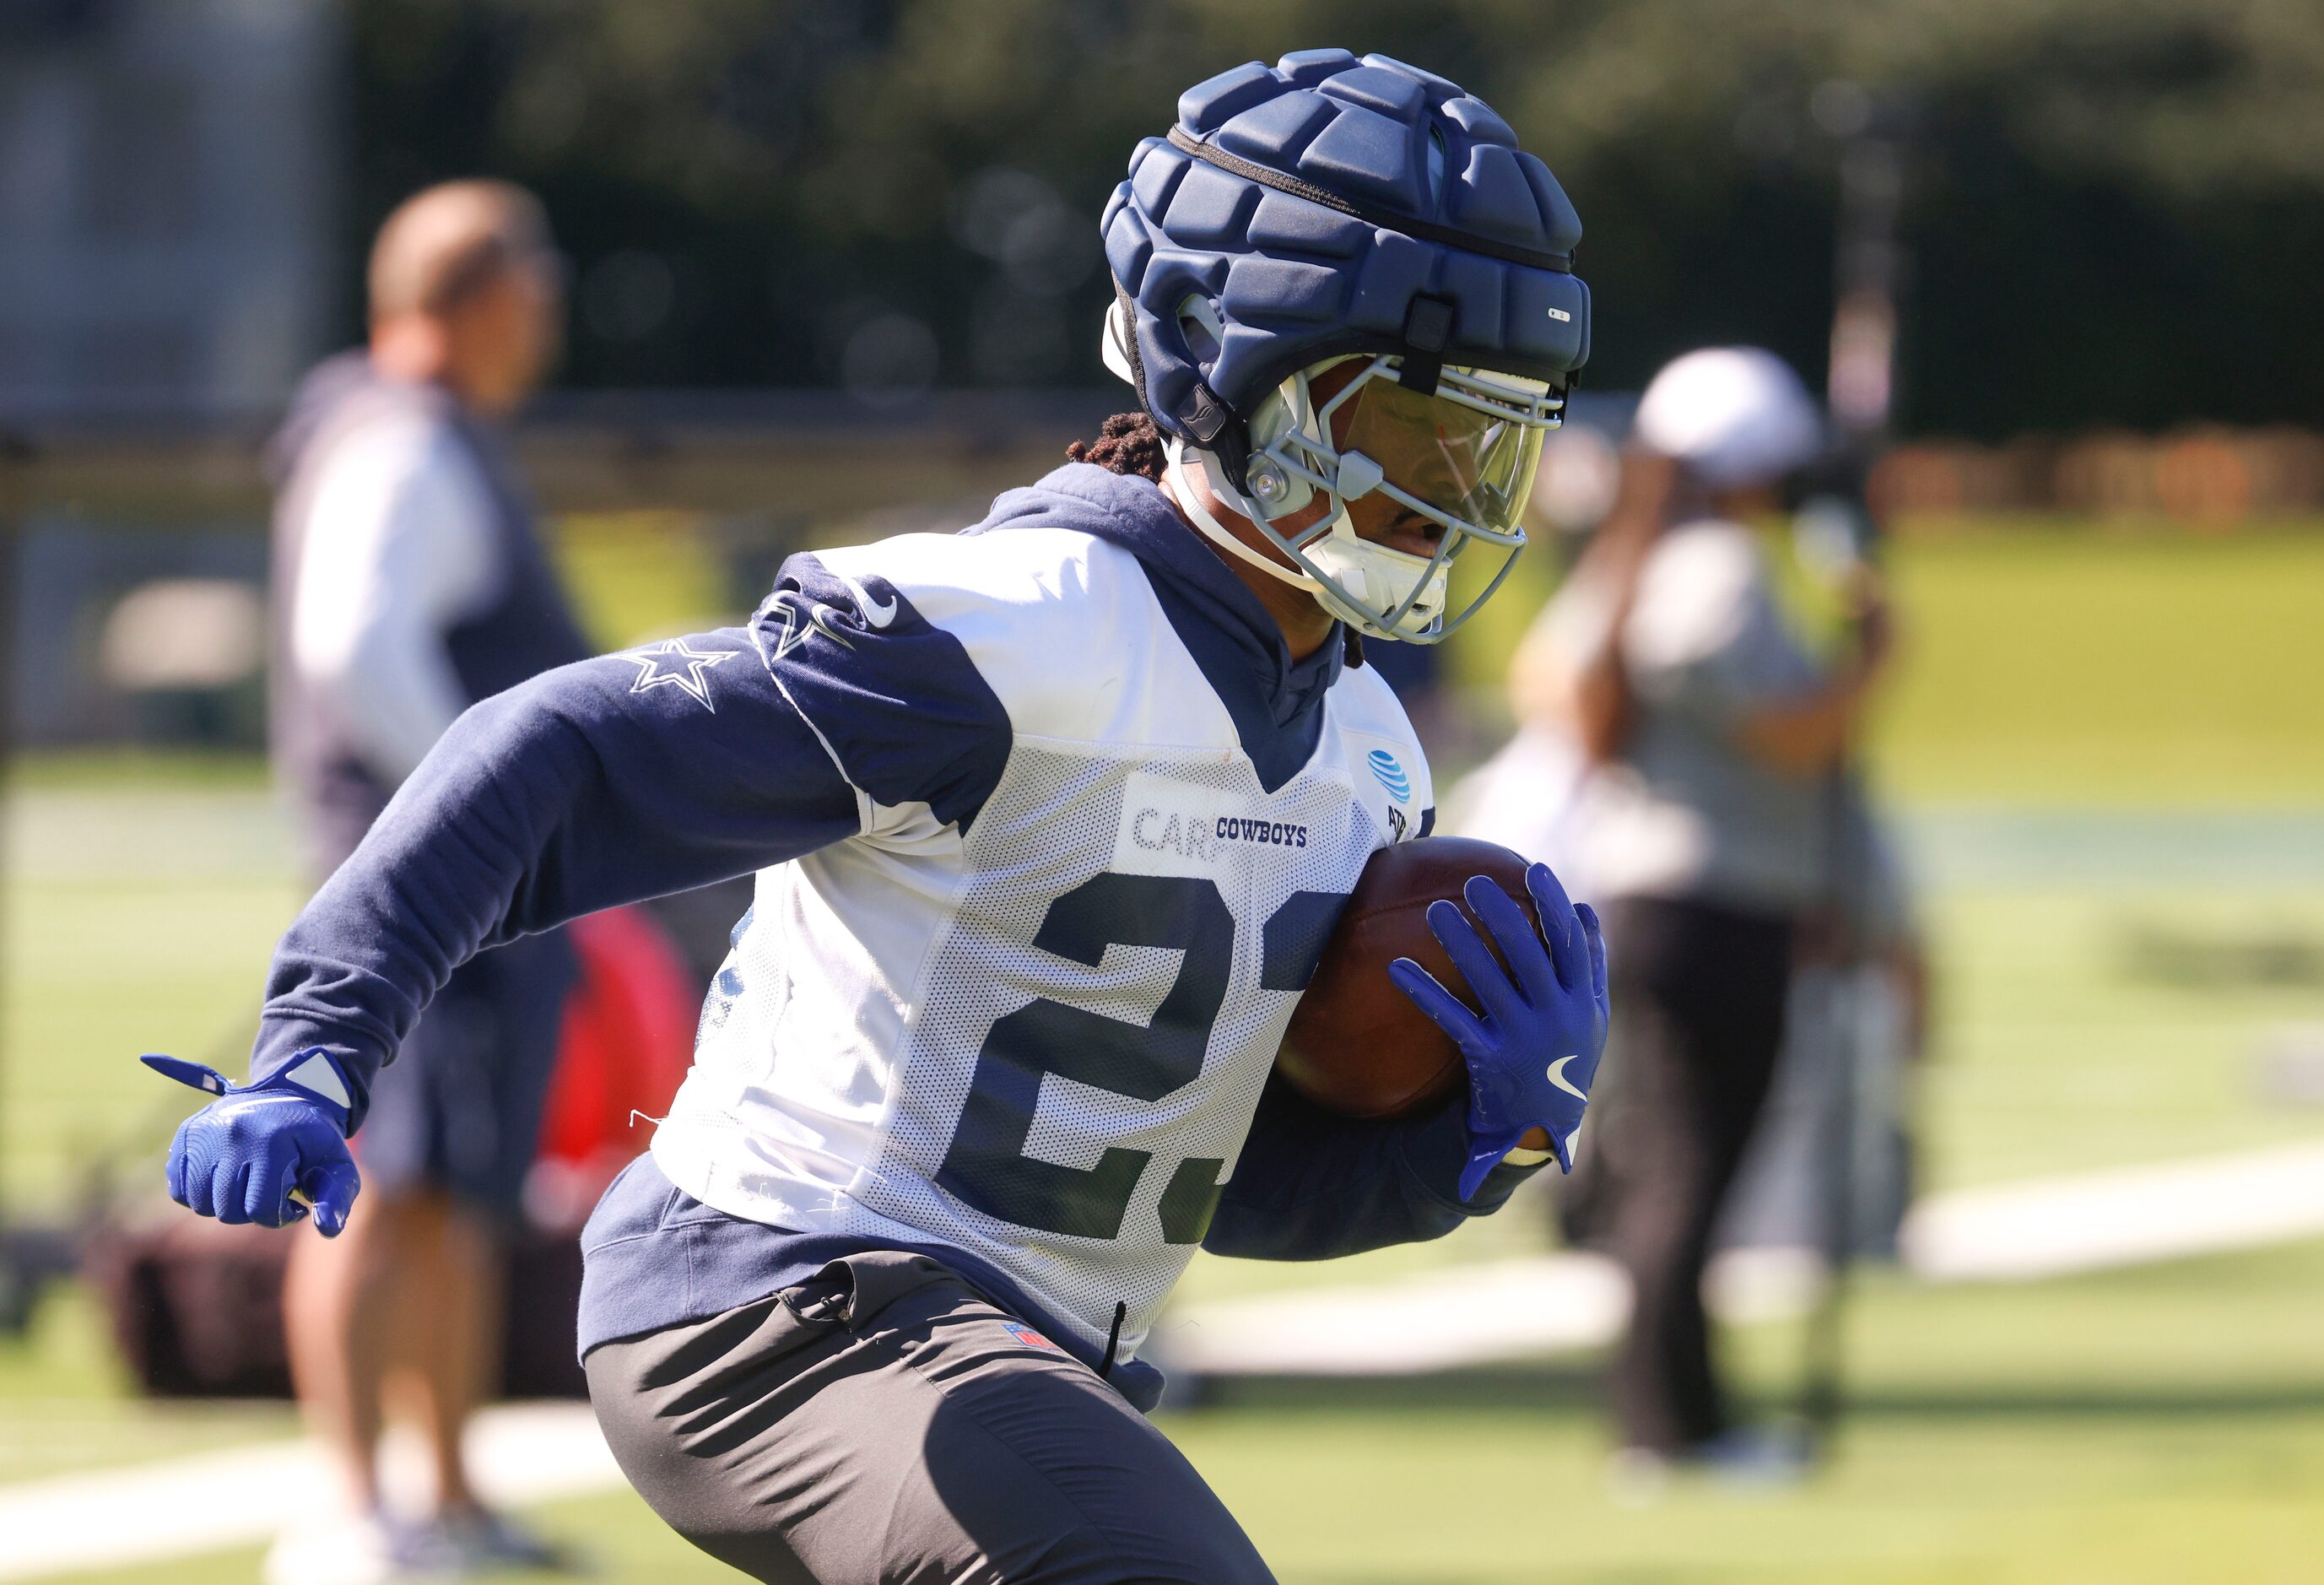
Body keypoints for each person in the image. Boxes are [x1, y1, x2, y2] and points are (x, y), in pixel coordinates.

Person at [149, 51, 1608, 1583]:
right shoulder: (1012, 628)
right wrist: (320, 1044)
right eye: (1397, 427)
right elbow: (555, 752)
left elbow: (1175, 1161)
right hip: (776, 1298)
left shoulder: (1367, 749)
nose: (1438, 494)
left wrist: (1463, 1148)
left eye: (1481, 442)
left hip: (989, 1339)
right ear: (1210, 360)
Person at [257, 179, 589, 1578]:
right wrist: (474, 809)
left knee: (461, 1190)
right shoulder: (402, 439)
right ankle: (354, 1504)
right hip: (422, 887)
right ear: (479, 295)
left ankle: (445, 1498)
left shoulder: (426, 434)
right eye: (539, 280)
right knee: (379, 1190)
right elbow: (356, 648)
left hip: (468, 887)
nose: (552, 314)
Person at [1561, 348, 1894, 1487]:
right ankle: (1665, 1427)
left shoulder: (1635, 561)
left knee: (1679, 1168)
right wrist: (1869, 668)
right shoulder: (1715, 571)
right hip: (1714, 904)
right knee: (1693, 1173)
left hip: (1659, 898)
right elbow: (1787, 735)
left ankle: (1683, 1415)